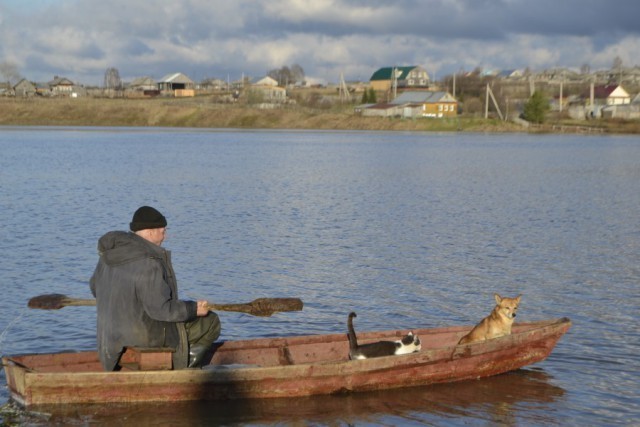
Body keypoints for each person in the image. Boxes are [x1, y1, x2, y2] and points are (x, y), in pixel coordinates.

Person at [90, 206, 221, 371]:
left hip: (110, 338)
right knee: (210, 322)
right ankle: (185, 366)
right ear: (150, 232)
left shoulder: (108, 257)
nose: (165, 236)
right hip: (143, 336)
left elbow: (95, 288)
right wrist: (193, 309)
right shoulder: (148, 262)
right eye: (163, 231)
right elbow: (161, 310)